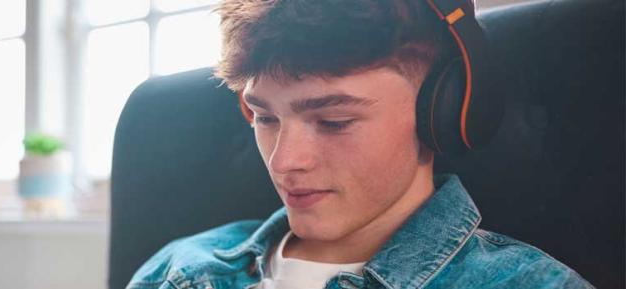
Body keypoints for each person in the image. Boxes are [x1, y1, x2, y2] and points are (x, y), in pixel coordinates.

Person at [126, 0, 593, 288]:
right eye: (264, 117)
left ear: (444, 115)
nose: (284, 161)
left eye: (333, 121)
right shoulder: (179, 270)